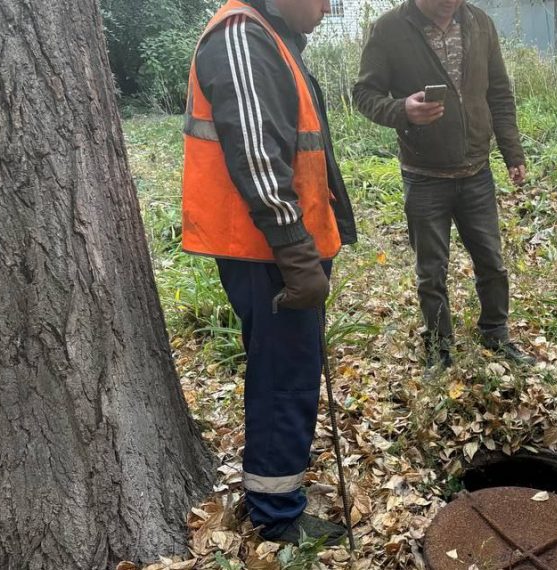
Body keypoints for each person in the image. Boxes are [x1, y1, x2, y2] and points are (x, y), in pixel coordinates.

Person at [181, 0, 357, 545]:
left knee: (291, 372)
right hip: (267, 252)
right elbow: (258, 161)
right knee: (284, 381)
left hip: (280, 248)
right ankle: (276, 517)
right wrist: (298, 259)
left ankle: (275, 498)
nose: (330, 7)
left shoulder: (271, 37)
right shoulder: (242, 37)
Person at [353, 0, 535, 371]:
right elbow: (364, 95)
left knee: (492, 263)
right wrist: (403, 109)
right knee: (431, 273)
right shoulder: (390, 29)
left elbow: (498, 92)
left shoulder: (479, 22)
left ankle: (496, 333)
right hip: (424, 177)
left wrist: (512, 153)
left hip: (476, 173)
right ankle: (439, 348)